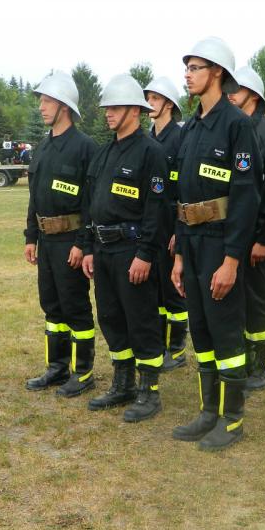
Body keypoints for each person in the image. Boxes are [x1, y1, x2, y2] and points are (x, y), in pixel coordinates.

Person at [170, 36, 261, 452]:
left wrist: (231, 260)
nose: (187, 75)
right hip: (190, 242)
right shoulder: (191, 128)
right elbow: (183, 196)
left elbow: (245, 197)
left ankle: (232, 418)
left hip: (219, 243)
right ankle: (209, 411)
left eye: (195, 68)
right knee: (202, 330)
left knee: (225, 333)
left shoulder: (236, 125)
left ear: (217, 72)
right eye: (187, 68)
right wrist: (178, 256)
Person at [81, 75, 169, 422]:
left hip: (132, 250)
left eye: (115, 107)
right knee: (111, 317)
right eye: (107, 108)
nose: (108, 113)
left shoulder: (151, 153)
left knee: (141, 319)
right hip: (103, 251)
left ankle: (149, 391)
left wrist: (145, 254)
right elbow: (90, 204)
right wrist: (88, 247)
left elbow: (157, 210)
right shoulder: (104, 153)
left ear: (135, 110)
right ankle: (123, 383)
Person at [24, 71, 98, 397]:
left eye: (47, 101)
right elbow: (34, 197)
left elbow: (91, 203)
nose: (41, 107)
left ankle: (83, 372)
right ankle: (57, 367)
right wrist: (31, 237)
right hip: (46, 241)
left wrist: (83, 244)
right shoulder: (42, 148)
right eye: (41, 101)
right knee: (52, 306)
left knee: (75, 305)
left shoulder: (85, 148)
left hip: (71, 241)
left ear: (64, 106)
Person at [228, 66, 265, 391]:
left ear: (253, 94)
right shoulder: (233, 128)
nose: (230, 94)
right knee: (237, 296)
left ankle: (264, 364)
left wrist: (264, 237)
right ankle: (246, 357)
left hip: (258, 233)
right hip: (233, 231)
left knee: (258, 296)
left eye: (236, 89)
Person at [144, 77, 190, 372]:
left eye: (155, 98)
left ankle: (177, 349)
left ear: (169, 104)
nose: (149, 103)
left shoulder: (180, 137)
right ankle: (160, 343)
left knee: (174, 290)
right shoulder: (147, 138)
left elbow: (185, 188)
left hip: (172, 223)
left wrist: (178, 230)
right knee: (156, 288)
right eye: (148, 97)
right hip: (152, 223)